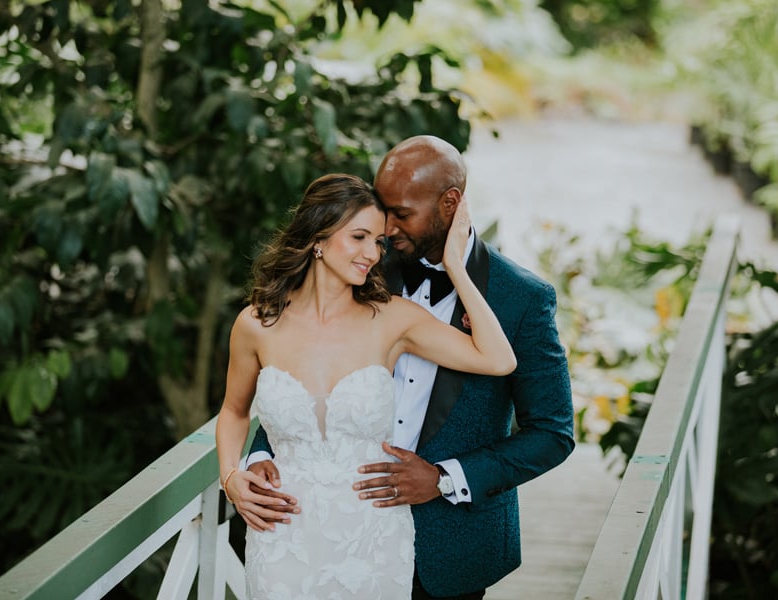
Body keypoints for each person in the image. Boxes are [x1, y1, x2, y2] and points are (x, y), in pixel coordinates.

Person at [244, 136, 576, 599]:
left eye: (401, 213)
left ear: (450, 203)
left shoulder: (522, 299)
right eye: (382, 210)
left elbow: (553, 433)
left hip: (451, 547)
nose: (386, 226)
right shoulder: (364, 265)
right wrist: (260, 456)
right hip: (328, 535)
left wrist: (443, 479)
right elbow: (300, 371)